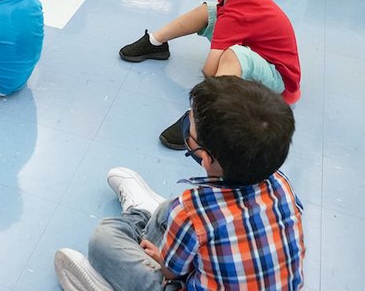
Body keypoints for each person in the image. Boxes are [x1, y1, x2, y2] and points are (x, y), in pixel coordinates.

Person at [53, 76, 304, 291]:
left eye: (188, 125)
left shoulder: (192, 211)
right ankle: (148, 214)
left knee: (103, 238)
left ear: (205, 157)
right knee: (168, 210)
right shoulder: (282, 185)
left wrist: (163, 258)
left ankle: (130, 233)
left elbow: (171, 272)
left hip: (182, 265)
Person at [119, 0, 301, 148]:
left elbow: (209, 70)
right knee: (210, 10)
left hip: (279, 80)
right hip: (261, 54)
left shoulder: (237, 14)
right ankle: (155, 42)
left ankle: (203, 120)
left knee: (234, 56)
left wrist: (218, 69)